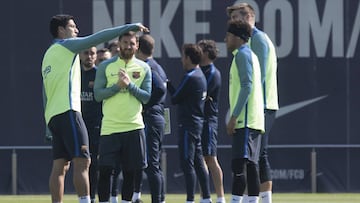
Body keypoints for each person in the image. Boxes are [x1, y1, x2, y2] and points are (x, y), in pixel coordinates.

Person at [41, 14, 148, 203]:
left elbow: (44, 92)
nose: (77, 31)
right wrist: (128, 27)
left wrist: (47, 125)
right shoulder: (66, 45)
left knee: (59, 166)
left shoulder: (48, 54)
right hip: (69, 112)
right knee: (84, 162)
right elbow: (99, 38)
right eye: (73, 27)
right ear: (61, 31)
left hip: (53, 117)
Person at [227, 3, 279, 203]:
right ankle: (258, 199)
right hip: (257, 106)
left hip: (260, 106)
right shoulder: (248, 44)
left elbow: (257, 80)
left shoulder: (256, 40)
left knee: (255, 158)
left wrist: (247, 109)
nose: (232, 23)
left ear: (248, 17)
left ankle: (262, 199)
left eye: (236, 19)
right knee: (256, 158)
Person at [94, 31, 151, 203]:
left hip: (134, 126)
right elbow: (98, 95)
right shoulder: (106, 66)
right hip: (110, 127)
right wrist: (117, 87)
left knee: (130, 171)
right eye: (125, 42)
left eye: (131, 43)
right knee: (104, 170)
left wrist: (130, 86)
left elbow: (146, 97)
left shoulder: (144, 68)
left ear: (137, 45)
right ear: (118, 44)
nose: (128, 46)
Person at [224, 20, 264, 203]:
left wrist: (234, 116)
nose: (226, 39)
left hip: (245, 120)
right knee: (251, 165)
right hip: (254, 119)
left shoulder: (242, 54)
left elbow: (247, 87)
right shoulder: (251, 55)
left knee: (239, 165)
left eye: (229, 35)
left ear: (238, 38)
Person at [167, 44, 211, 203]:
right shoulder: (200, 75)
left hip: (188, 125)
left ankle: (190, 199)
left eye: (183, 56)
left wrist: (167, 84)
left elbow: (175, 98)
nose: (181, 59)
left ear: (188, 58)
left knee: (187, 162)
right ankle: (206, 197)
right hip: (197, 124)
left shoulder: (191, 76)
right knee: (199, 162)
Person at [136, 34, 167, 203]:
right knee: (154, 164)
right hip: (158, 117)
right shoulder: (156, 65)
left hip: (151, 117)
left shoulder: (148, 67)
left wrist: (146, 105)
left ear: (138, 48)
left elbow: (161, 89)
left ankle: (157, 200)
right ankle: (160, 199)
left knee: (151, 164)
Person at [197, 40, 225, 203]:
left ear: (206, 53)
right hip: (199, 120)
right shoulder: (200, 70)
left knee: (210, 158)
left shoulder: (213, 73)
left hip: (208, 120)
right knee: (201, 160)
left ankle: (220, 197)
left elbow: (203, 95)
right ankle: (205, 196)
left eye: (200, 50)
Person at [80, 46, 103, 203]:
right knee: (79, 163)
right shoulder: (75, 75)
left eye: (92, 53)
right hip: (79, 126)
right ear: (80, 55)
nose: (89, 56)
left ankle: (93, 197)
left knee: (94, 163)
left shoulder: (100, 75)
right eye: (86, 53)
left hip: (96, 127)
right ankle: (84, 196)